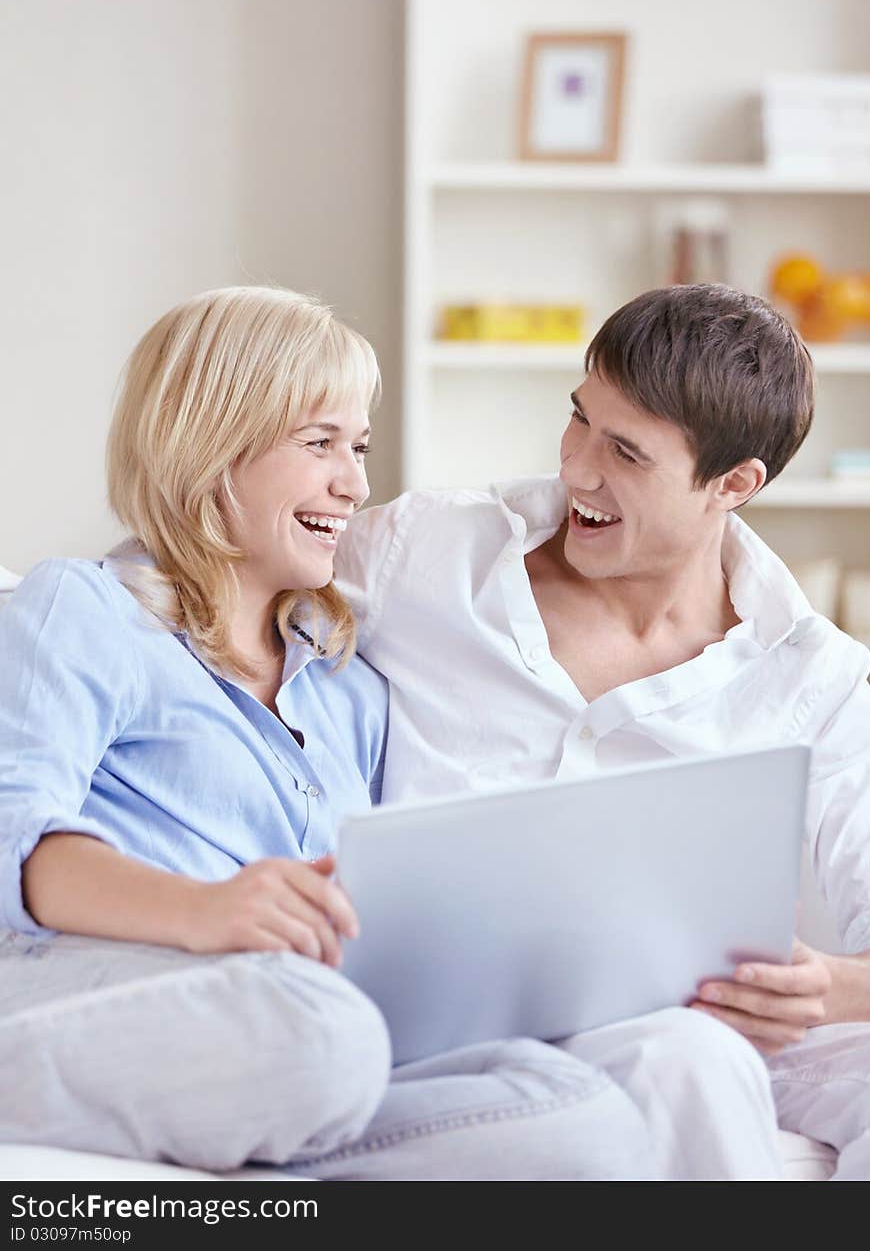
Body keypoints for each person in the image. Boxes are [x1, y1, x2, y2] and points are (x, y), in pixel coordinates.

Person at [0, 285, 656, 1181]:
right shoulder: (85, 611)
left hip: (292, 1034)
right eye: (319, 444)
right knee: (320, 1034)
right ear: (212, 446)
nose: (355, 483)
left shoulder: (349, 684)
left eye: (358, 446)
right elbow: (12, 837)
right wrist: (206, 913)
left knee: (580, 1112)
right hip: (105, 986)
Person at [335, 283, 870, 1181]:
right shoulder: (427, 555)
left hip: (703, 1021)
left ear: (735, 486)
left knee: (712, 1052)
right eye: (579, 419)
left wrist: (823, 988)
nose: (578, 468)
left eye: (627, 452)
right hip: (458, 1025)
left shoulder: (809, 674)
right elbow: (212, 569)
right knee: (687, 1063)